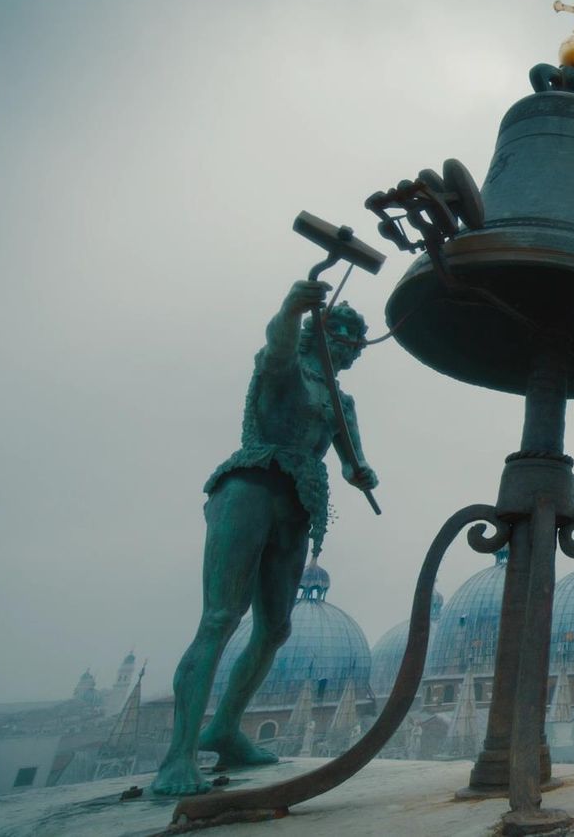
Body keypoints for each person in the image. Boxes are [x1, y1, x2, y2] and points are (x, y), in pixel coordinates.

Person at [153, 279, 378, 796]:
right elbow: (277, 340)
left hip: (297, 504)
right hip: (251, 488)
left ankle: (225, 729)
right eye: (338, 338)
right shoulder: (284, 367)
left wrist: (362, 472)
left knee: (274, 628)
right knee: (220, 618)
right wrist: (292, 307)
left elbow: (352, 462)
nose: (345, 350)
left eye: (353, 345)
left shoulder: (342, 403)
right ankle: (177, 759)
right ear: (319, 336)